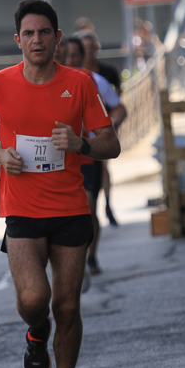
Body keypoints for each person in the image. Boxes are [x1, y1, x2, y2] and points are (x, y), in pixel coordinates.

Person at [0, 0, 120, 368]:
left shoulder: (80, 83)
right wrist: (0, 155)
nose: (37, 40)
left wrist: (81, 143)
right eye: (29, 34)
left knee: (67, 305)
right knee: (35, 298)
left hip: (70, 208)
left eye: (44, 33)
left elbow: (111, 143)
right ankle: (36, 332)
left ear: (57, 38)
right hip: (22, 209)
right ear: (18, 40)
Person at [76, 32, 127, 266]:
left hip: (93, 146)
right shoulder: (51, 80)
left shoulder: (100, 77)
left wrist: (108, 129)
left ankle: (91, 256)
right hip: (62, 156)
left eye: (87, 49)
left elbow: (119, 105)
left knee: (89, 204)